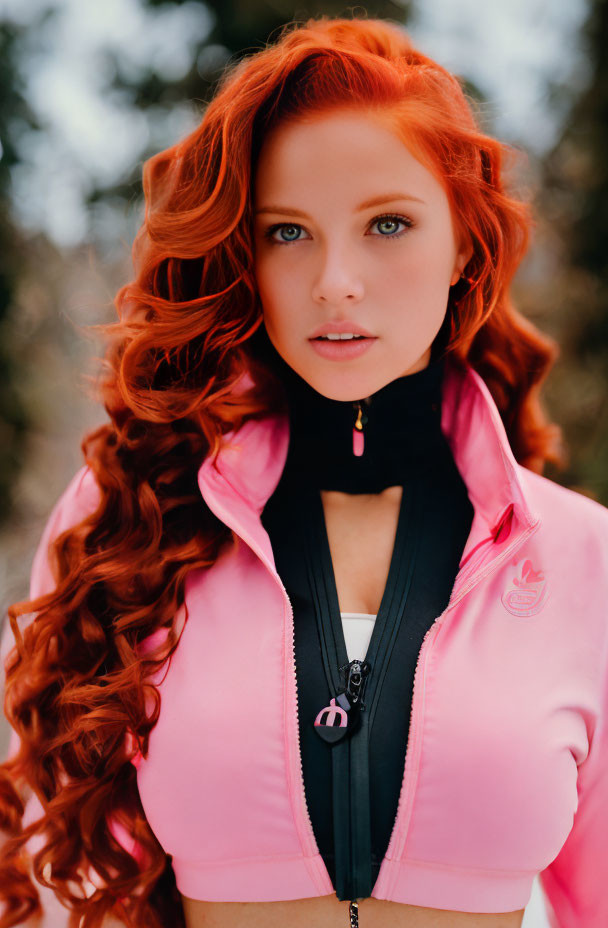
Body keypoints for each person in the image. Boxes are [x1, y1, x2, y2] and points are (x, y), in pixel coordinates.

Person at [1, 13, 607, 928]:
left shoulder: (581, 561)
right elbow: (56, 886)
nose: (336, 282)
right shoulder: (135, 519)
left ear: (464, 247)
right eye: (287, 233)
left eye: (389, 224)